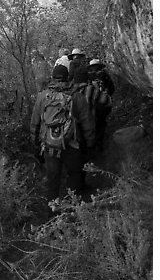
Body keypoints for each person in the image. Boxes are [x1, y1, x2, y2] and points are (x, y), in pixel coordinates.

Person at [30, 65, 95, 208]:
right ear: (68, 77)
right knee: (74, 176)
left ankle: (52, 214)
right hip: (72, 145)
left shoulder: (43, 97)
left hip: (50, 146)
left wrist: (35, 143)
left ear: (52, 78)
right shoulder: (76, 96)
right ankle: (73, 210)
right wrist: (90, 144)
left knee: (53, 181)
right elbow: (88, 122)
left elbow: (35, 123)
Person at [87, 59, 115, 153]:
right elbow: (112, 88)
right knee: (101, 124)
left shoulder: (89, 77)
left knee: (92, 124)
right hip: (103, 104)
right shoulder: (105, 75)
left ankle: (92, 147)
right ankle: (99, 146)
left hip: (92, 104)